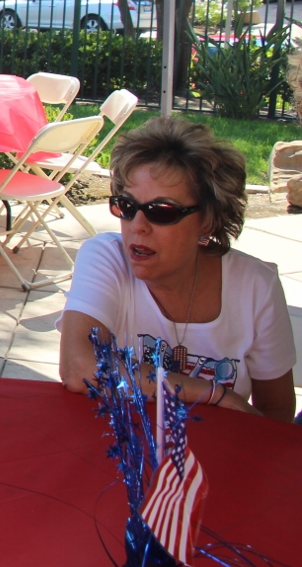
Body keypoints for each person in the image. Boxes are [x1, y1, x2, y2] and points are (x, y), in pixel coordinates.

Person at [58, 117, 295, 422]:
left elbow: (276, 413)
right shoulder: (106, 257)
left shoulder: (255, 286)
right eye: (127, 206)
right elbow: (79, 368)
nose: (138, 227)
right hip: (119, 455)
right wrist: (214, 394)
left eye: (162, 212)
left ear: (208, 219)